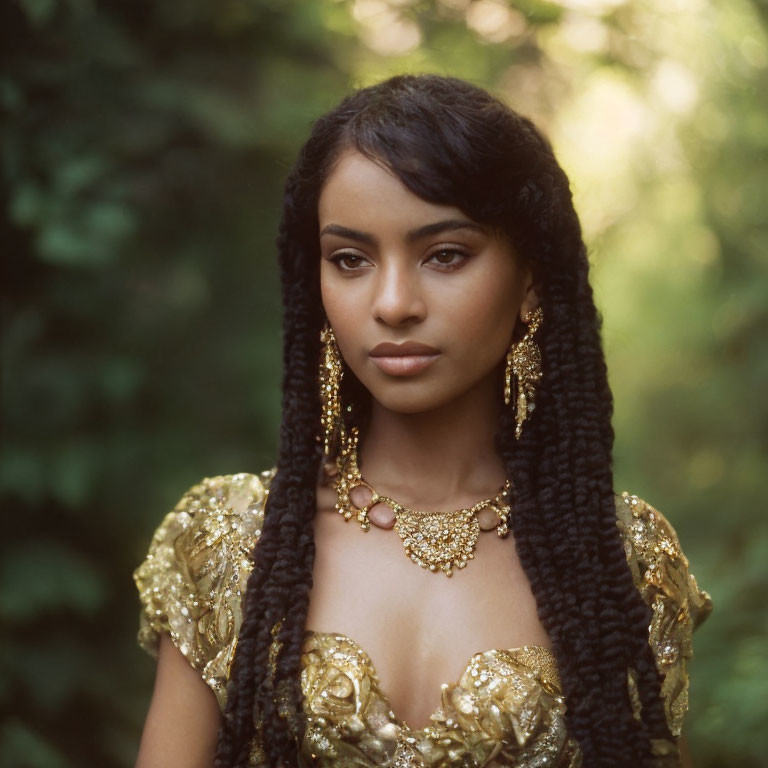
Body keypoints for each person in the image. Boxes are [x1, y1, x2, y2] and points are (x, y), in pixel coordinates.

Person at [132, 74, 712, 768]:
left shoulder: (620, 561)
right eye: (350, 260)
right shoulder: (226, 543)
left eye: (445, 255)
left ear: (530, 278)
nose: (394, 302)